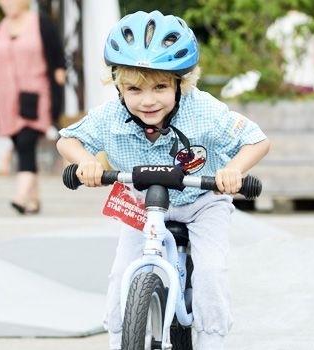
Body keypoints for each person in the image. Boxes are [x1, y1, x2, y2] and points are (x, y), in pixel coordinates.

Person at [56, 11, 271, 350]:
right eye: (134, 89)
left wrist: (234, 171)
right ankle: (118, 338)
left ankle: (211, 340)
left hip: (202, 202)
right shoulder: (110, 116)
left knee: (211, 272)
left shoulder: (203, 111)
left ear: (180, 83)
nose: (148, 100)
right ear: (117, 85)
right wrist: (85, 162)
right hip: (143, 204)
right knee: (121, 271)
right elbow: (67, 140)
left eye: (160, 86)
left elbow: (257, 141)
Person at [0, 0, 66, 215]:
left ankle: (20, 197)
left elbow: (58, 60)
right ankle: (34, 200)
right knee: (21, 147)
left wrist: (59, 87)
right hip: (4, 98)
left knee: (26, 141)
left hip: (35, 96)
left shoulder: (42, 24)